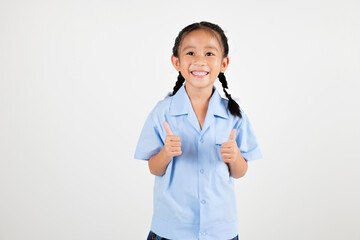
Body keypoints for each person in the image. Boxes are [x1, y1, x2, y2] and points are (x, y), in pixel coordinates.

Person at [134, 21, 263, 240]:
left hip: (220, 230)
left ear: (224, 63)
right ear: (176, 61)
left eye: (210, 53)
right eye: (191, 52)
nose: (200, 60)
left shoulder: (234, 114)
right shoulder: (162, 112)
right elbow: (154, 168)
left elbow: (240, 171)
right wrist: (165, 153)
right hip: (171, 229)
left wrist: (235, 157)